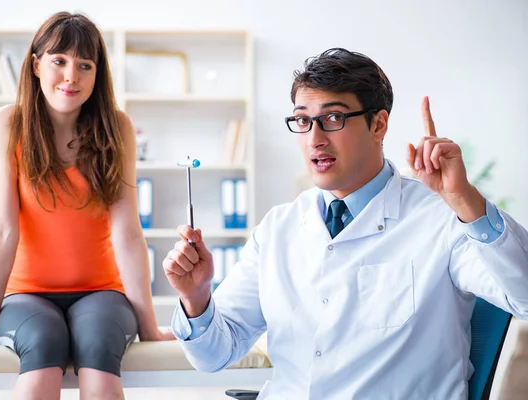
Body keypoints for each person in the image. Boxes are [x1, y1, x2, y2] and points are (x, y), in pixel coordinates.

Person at [162, 48, 528, 399]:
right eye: (303, 120)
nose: (314, 139)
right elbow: (213, 356)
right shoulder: (278, 228)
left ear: (378, 124)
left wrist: (465, 199)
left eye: (333, 118)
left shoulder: (442, 219)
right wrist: (195, 297)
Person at [0, 11, 173, 399]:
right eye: (59, 61)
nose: (71, 76)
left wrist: (151, 328)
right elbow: (3, 230)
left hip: (102, 293)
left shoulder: (117, 128)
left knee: (96, 342)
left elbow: (127, 234)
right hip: (26, 295)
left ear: (97, 74)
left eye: (84, 65)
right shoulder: (8, 124)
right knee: (44, 341)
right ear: (36, 64)